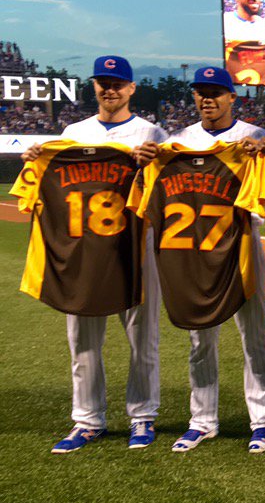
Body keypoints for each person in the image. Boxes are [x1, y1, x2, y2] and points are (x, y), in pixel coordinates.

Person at [21, 56, 166, 452]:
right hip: (84, 247)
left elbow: (168, 183)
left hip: (134, 246)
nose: (110, 89)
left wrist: (152, 164)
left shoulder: (150, 131)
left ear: (132, 88)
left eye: (117, 83)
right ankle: (87, 420)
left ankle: (143, 416)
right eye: (103, 82)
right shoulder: (73, 132)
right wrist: (37, 159)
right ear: (95, 87)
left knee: (143, 336)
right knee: (82, 337)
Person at [163, 66, 265, 453]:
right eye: (201, 92)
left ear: (233, 97)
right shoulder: (178, 140)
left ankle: (263, 420)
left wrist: (264, 152)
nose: (207, 98)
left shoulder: (255, 137)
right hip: (194, 250)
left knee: (255, 335)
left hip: (243, 245)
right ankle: (202, 420)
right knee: (200, 339)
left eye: (215, 92)